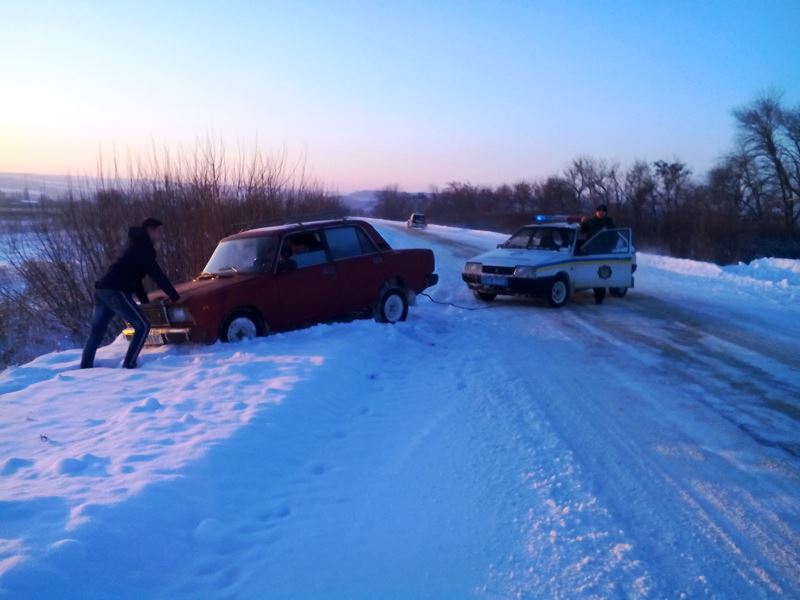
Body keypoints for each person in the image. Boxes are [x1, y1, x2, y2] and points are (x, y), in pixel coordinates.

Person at [80, 218, 180, 369]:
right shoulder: (143, 248)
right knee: (143, 326)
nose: (160, 235)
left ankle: (85, 367)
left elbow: (136, 279)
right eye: (159, 231)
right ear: (150, 230)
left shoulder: (134, 244)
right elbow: (157, 275)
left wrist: (145, 302)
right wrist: (175, 297)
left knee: (96, 332)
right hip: (116, 291)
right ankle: (129, 364)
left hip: (103, 290)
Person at [580, 205, 616, 305]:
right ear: (596, 212)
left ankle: (599, 297)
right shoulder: (591, 222)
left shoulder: (609, 223)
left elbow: (615, 236)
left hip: (604, 252)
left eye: (603, 211)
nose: (600, 212)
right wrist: (583, 222)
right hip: (592, 251)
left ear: (605, 213)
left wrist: (610, 247)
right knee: (593, 273)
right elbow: (583, 231)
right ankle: (596, 294)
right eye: (599, 211)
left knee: (601, 274)